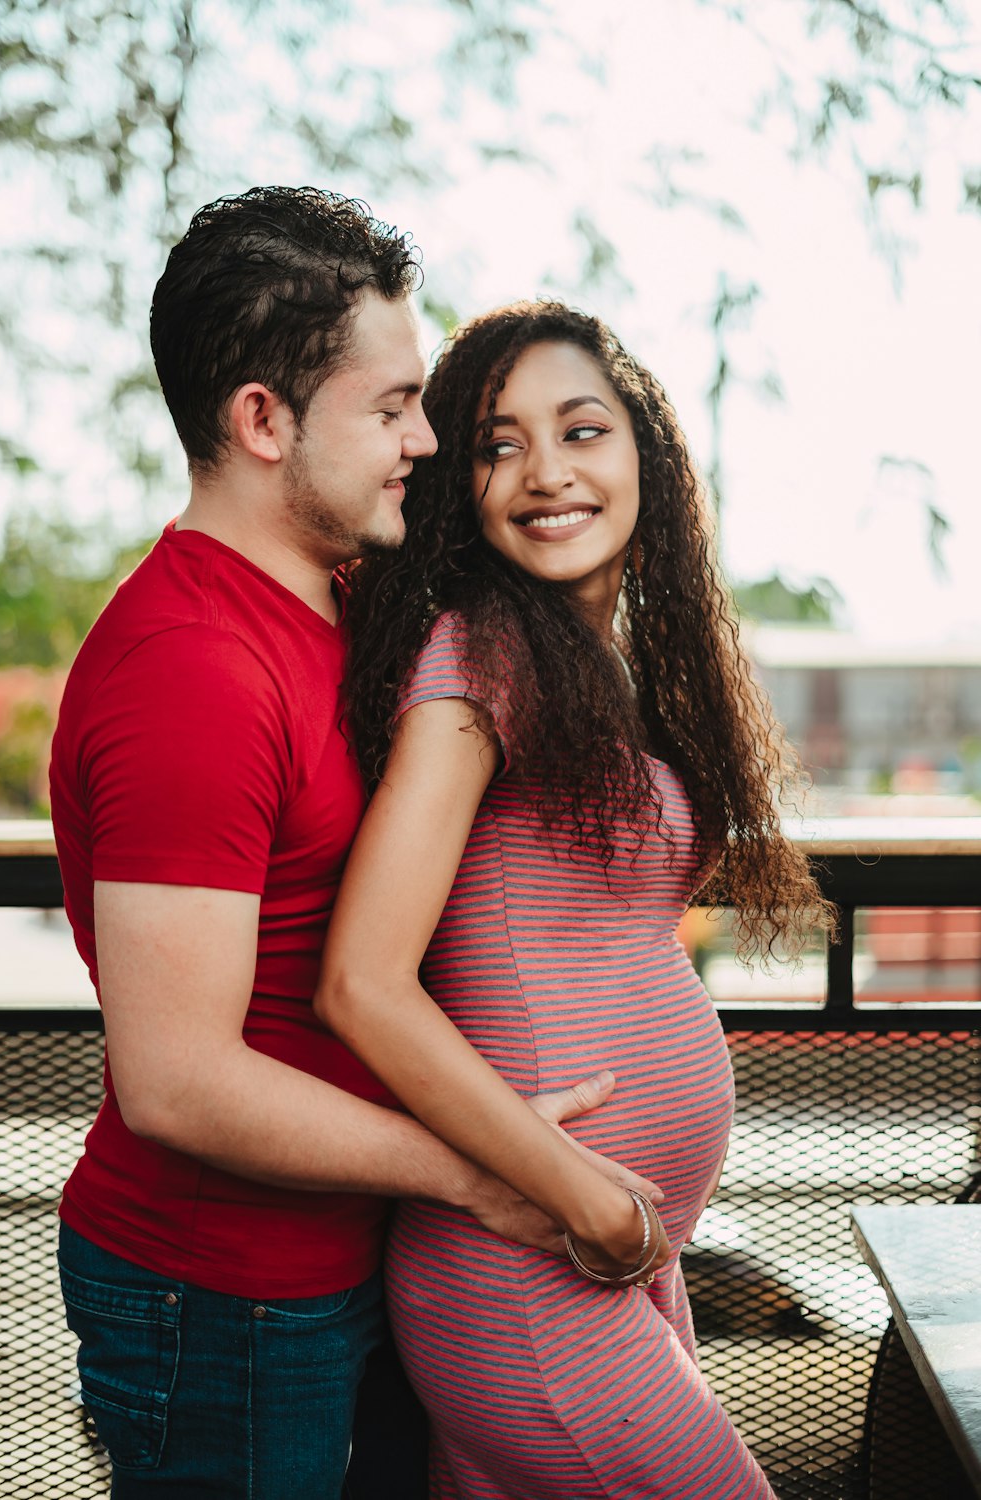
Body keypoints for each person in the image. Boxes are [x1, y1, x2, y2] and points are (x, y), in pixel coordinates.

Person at [49, 194, 666, 1500]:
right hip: (220, 1309)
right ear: (264, 421)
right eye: (391, 408)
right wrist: (486, 1166)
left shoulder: (330, 609)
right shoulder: (191, 673)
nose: (424, 441)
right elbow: (175, 1080)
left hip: (339, 1269)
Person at [316, 301, 833, 1498]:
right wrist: (583, 1197)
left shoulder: (590, 668)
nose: (543, 472)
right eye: (497, 444)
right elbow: (361, 982)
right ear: (462, 486)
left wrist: (612, 1216)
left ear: (643, 454)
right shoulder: (480, 659)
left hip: (602, 1245)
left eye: (580, 430)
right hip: (532, 1257)